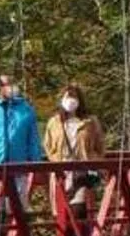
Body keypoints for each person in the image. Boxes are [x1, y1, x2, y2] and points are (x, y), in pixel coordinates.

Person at [41, 84, 106, 216]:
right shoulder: (54, 122)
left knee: (79, 209)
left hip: (83, 170)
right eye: (67, 97)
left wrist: (94, 161)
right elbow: (48, 146)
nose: (70, 101)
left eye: (73, 97)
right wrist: (55, 161)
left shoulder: (90, 122)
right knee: (62, 213)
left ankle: (81, 235)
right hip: (62, 171)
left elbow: (100, 146)